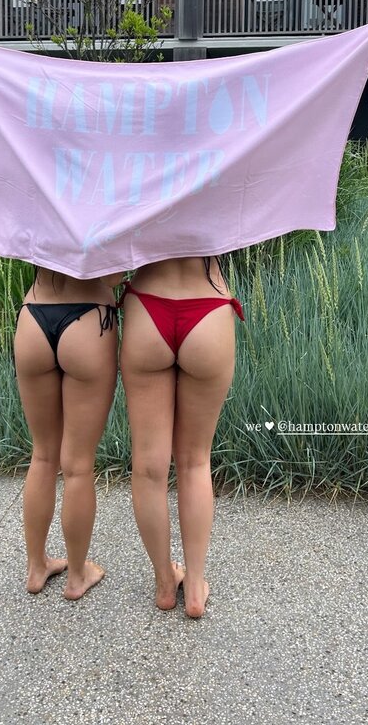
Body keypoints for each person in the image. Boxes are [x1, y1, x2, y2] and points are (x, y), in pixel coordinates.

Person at [119, 256, 244, 618]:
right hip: (208, 307)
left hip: (148, 306)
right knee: (195, 461)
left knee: (148, 467)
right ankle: (194, 587)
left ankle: (164, 583)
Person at [13, 265, 123, 599]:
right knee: (78, 465)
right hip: (88, 320)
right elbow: (113, 277)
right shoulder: (94, 220)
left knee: (43, 456)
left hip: (34, 316)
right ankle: (77, 575)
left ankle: (36, 567)